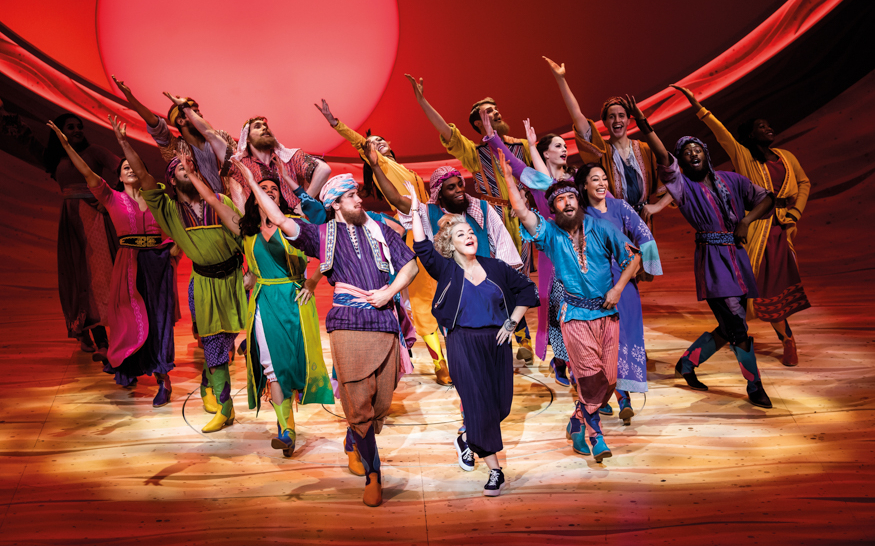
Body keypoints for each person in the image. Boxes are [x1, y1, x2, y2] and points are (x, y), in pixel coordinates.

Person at [260, 174, 419, 507]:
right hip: (347, 321)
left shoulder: (381, 231)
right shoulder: (322, 234)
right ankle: (373, 475)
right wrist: (249, 179)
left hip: (383, 318)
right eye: (350, 196)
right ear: (335, 204)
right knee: (358, 401)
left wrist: (388, 292)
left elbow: (409, 265)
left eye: (357, 194)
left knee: (380, 404)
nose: (359, 199)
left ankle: (354, 439)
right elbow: (278, 219)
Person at [631, 94, 777, 409]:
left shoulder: (732, 180)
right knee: (738, 325)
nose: (692, 154)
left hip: (737, 257)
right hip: (713, 262)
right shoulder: (683, 187)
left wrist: (746, 221)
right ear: (681, 162)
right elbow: (663, 159)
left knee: (729, 327)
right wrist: (644, 125)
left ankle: (688, 362)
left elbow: (767, 198)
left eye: (697, 150)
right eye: (686, 153)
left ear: (706, 155)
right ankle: (754, 387)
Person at [182, 154, 334, 455]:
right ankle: (285, 429)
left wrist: (312, 281)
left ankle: (287, 420)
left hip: (295, 301)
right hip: (264, 302)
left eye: (273, 187)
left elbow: (329, 253)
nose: (269, 189)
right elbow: (214, 202)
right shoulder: (246, 230)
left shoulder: (294, 224)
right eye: (262, 187)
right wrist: (193, 175)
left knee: (293, 364)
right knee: (272, 366)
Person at [505, 149, 641, 462]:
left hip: (608, 314)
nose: (566, 204)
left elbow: (633, 257)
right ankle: (596, 437)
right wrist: (511, 182)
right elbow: (523, 213)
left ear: (578, 201)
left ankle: (577, 419)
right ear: (552, 209)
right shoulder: (550, 234)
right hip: (575, 315)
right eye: (559, 201)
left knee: (608, 380)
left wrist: (619, 288)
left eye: (570, 198)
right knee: (590, 376)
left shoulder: (602, 228)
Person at [408, 181, 537, 496]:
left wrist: (511, 322)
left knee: (500, 406)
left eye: (470, 233)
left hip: (497, 342)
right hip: (463, 343)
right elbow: (423, 247)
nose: (467, 236)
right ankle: (495, 471)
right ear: (450, 244)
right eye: (459, 234)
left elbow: (527, 291)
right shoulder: (446, 268)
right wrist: (415, 211)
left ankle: (467, 438)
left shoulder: (496, 268)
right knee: (478, 406)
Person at [672, 85, 811, 366]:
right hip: (751, 234)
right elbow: (721, 134)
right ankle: (721, 352)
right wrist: (698, 107)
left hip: (782, 230)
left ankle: (782, 340)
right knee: (742, 301)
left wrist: (795, 213)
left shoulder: (786, 157)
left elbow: (804, 183)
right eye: (762, 127)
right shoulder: (743, 157)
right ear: (750, 134)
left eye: (769, 126)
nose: (768, 129)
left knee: (771, 293)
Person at [316, 100, 449, 385]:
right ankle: (440, 363)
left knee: (449, 294)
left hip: (438, 233)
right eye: (370, 144)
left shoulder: (408, 172)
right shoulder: (382, 167)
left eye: (379, 140)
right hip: (420, 236)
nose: (375, 144)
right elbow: (361, 144)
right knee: (424, 303)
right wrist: (337, 125)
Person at [406, 74, 535, 361]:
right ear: (477, 123)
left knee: (519, 275)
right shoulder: (475, 154)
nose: (496, 113)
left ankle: (521, 331)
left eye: (496, 108)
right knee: (495, 274)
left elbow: (533, 178)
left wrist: (528, 204)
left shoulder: (520, 147)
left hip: (521, 217)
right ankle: (517, 336)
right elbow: (446, 131)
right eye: (488, 112)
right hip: (494, 216)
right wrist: (423, 102)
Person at [47, 116, 176, 405]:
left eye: (134, 167)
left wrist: (122, 142)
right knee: (127, 319)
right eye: (124, 168)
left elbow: (140, 167)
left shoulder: (153, 194)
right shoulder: (111, 197)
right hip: (128, 263)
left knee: (159, 320)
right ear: (117, 176)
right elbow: (85, 170)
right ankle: (129, 366)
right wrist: (66, 144)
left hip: (157, 263)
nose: (130, 170)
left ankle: (163, 378)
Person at [140, 145, 246, 432]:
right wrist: (126, 145)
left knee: (225, 343)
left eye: (191, 167)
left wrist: (249, 273)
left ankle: (207, 384)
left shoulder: (219, 201)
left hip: (235, 280)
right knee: (213, 345)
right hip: (203, 285)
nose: (186, 171)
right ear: (172, 181)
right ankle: (226, 409)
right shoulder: (170, 212)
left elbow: (243, 238)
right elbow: (146, 181)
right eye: (179, 169)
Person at [0, 106, 118, 356]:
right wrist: (5, 114)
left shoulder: (94, 152)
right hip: (70, 225)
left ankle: (106, 341)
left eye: (79, 127)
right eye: (70, 127)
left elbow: (125, 169)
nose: (76, 130)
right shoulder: (55, 160)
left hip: (95, 218)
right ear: (60, 133)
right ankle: (86, 331)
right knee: (77, 277)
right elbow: (27, 140)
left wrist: (111, 199)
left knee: (99, 276)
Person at [543, 58, 672, 227]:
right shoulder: (600, 151)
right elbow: (577, 115)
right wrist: (561, 80)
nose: (616, 120)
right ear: (604, 122)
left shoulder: (645, 149)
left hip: (643, 221)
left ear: (628, 120)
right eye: (611, 116)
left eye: (621, 115)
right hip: (612, 221)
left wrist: (658, 206)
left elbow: (674, 176)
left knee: (646, 254)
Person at [163, 93, 331, 212]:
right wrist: (185, 108)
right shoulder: (241, 165)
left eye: (266, 126)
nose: (264, 127)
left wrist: (304, 203)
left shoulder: (290, 156)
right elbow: (211, 135)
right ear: (247, 138)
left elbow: (323, 169)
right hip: (262, 233)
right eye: (257, 127)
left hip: (295, 229)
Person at [111, 77, 235, 195]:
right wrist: (130, 97)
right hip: (204, 210)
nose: (200, 115)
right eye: (193, 112)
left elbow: (241, 161)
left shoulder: (222, 136)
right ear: (180, 121)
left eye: (198, 111)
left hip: (237, 203)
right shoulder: (175, 148)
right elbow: (155, 123)